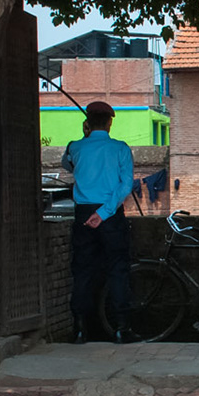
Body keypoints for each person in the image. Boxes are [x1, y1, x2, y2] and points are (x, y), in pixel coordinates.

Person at [62, 102, 134, 343]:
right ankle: (122, 327)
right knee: (118, 270)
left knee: (82, 271)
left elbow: (67, 165)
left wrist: (84, 136)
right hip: (111, 214)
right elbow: (125, 185)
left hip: (83, 213)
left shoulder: (75, 147)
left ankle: (80, 329)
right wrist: (104, 213)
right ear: (109, 122)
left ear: (88, 123)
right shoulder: (121, 149)